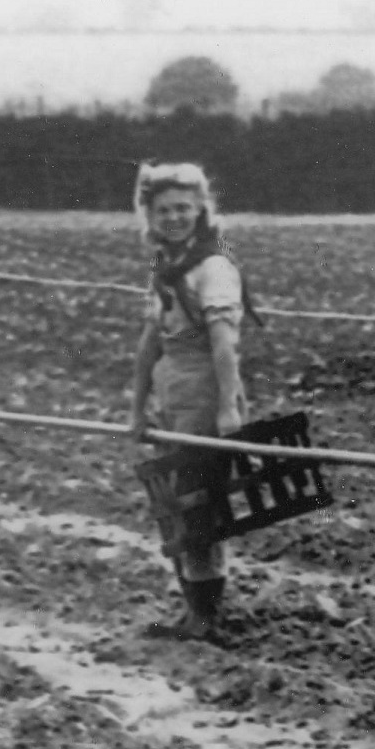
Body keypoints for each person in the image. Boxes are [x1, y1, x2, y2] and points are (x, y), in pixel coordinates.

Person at [129, 161, 254, 644]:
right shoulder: (166, 268)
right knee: (175, 506)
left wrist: (227, 409)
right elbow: (148, 344)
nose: (174, 217)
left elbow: (224, 345)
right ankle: (192, 612)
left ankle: (206, 617)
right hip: (171, 397)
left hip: (203, 396)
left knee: (199, 508)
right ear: (150, 215)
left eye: (184, 208)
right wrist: (137, 409)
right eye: (164, 210)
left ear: (201, 210)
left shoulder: (212, 267)